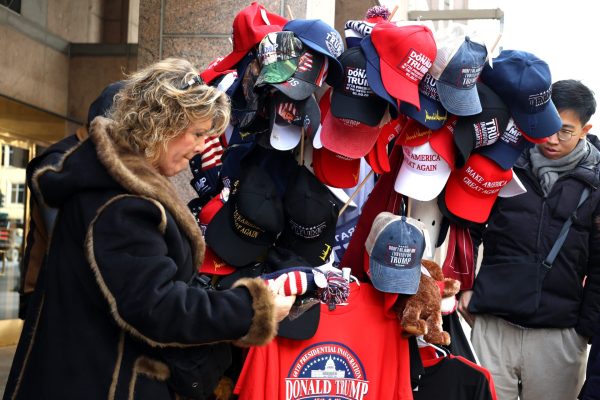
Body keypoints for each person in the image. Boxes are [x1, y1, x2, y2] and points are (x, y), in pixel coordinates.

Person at [3, 58, 295, 400]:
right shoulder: (119, 200)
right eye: (198, 133)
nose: (202, 147)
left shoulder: (114, 186)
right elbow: (156, 306)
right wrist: (251, 309)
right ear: (162, 124)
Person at [459, 79, 600, 400]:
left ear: (585, 128)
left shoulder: (596, 183)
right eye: (547, 125)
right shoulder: (506, 161)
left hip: (558, 337)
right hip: (493, 324)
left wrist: (583, 330)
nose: (551, 138)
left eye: (565, 130)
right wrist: (467, 287)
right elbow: (470, 228)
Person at [18, 80, 124, 320]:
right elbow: (69, 233)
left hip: (73, 294)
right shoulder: (60, 160)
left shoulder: (98, 158)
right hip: (50, 294)